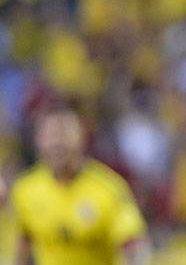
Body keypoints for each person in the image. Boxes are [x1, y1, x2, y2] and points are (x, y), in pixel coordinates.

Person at [9, 108, 150, 265]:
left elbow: (133, 245)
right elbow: (23, 243)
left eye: (64, 135)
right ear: (38, 141)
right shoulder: (25, 189)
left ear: (81, 138)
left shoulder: (108, 189)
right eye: (49, 136)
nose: (57, 143)